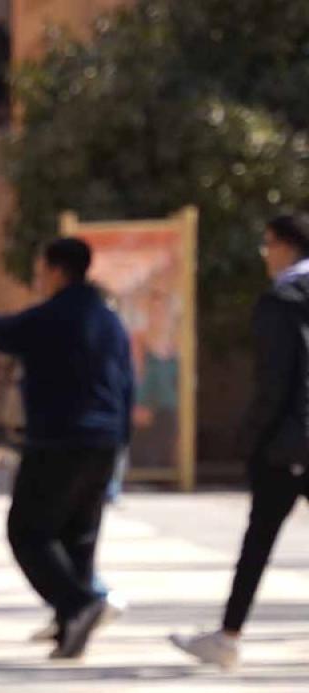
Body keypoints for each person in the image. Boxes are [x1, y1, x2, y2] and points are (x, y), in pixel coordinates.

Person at [0, 238, 133, 659]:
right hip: (104, 442)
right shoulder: (109, 319)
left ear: (55, 269)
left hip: (59, 440)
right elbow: (127, 382)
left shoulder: (56, 314)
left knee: (28, 532)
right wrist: (121, 442)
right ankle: (69, 624)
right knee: (79, 536)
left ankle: (78, 604)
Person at [172, 213, 309, 669]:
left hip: (288, 443)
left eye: (268, 244)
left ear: (287, 247)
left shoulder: (283, 299)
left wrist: (251, 438)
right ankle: (227, 634)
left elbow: (276, 381)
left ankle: (228, 636)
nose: (265, 254)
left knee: (259, 540)